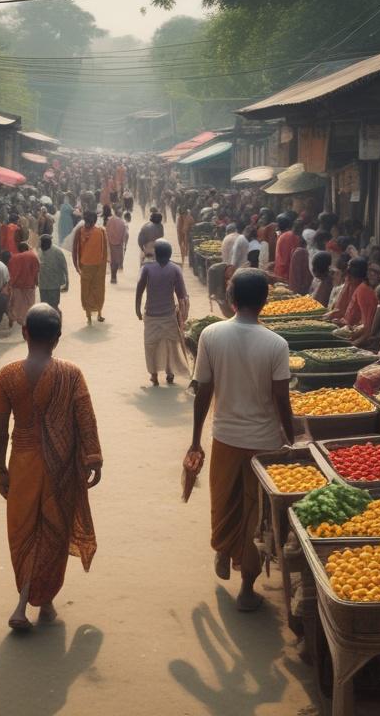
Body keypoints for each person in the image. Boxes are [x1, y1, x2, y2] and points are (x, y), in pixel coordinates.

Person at [189, 269, 296, 611]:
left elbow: (203, 391)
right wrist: (292, 438)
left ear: (231, 298)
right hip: (263, 443)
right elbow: (282, 401)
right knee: (255, 515)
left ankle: (223, 548)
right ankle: (247, 587)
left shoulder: (211, 335)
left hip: (225, 436)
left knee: (224, 502)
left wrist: (195, 440)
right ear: (265, 301)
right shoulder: (276, 344)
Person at [0, 304, 103, 631]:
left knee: (25, 533)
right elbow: (86, 419)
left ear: (25, 333)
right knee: (53, 531)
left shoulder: (8, 375)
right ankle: (25, 603)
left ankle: (42, 601)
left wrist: (2, 469)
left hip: (22, 463)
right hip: (61, 466)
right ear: (57, 338)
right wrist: (93, 457)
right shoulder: (71, 373)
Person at [135, 240, 190, 387]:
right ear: (170, 254)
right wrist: (184, 314)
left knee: (151, 345)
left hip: (151, 314)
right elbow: (182, 295)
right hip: (169, 314)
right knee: (170, 344)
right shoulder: (175, 269)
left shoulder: (147, 268)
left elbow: (139, 290)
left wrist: (137, 309)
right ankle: (169, 372)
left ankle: (154, 375)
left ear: (155, 254)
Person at [72, 211, 109, 326]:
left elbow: (74, 249)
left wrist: (76, 265)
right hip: (93, 266)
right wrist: (76, 265)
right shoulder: (99, 231)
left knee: (89, 290)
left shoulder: (84, 231)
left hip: (92, 266)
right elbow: (105, 252)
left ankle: (94, 314)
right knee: (94, 289)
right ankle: (94, 314)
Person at [7, 242, 40, 327]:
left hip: (17, 285)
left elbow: (10, 272)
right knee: (29, 304)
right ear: (27, 248)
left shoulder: (13, 258)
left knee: (16, 303)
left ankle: (12, 317)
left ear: (19, 249)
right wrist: (37, 281)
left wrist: (10, 284)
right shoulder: (33, 256)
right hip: (29, 284)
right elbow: (36, 270)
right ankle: (26, 320)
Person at [38, 234, 69, 309]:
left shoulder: (57, 252)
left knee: (54, 306)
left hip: (54, 285)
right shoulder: (39, 251)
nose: (43, 245)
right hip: (43, 286)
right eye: (42, 242)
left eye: (45, 243)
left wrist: (67, 284)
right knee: (44, 307)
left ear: (49, 242)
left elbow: (65, 268)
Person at [105, 208, 128, 284]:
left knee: (112, 260)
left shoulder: (110, 220)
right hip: (118, 244)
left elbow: (106, 230)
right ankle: (114, 277)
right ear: (120, 214)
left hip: (110, 243)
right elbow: (125, 235)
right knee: (116, 261)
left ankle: (113, 277)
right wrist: (124, 244)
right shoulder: (122, 222)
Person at [273, 214, 297, 283]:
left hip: (284, 274)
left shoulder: (287, 236)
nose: (276, 226)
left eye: (277, 223)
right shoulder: (284, 235)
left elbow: (285, 259)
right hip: (282, 272)